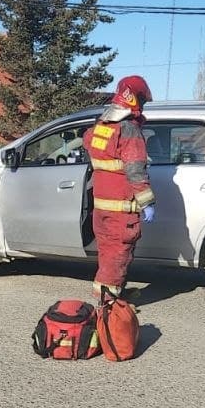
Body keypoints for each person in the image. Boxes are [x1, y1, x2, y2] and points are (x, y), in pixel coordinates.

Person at [83, 75, 155, 299]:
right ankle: (109, 308)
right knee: (117, 257)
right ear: (136, 99)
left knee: (107, 255)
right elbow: (135, 170)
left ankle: (112, 296)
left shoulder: (101, 126)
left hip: (102, 209)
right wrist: (147, 202)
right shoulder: (129, 129)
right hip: (121, 211)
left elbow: (88, 142)